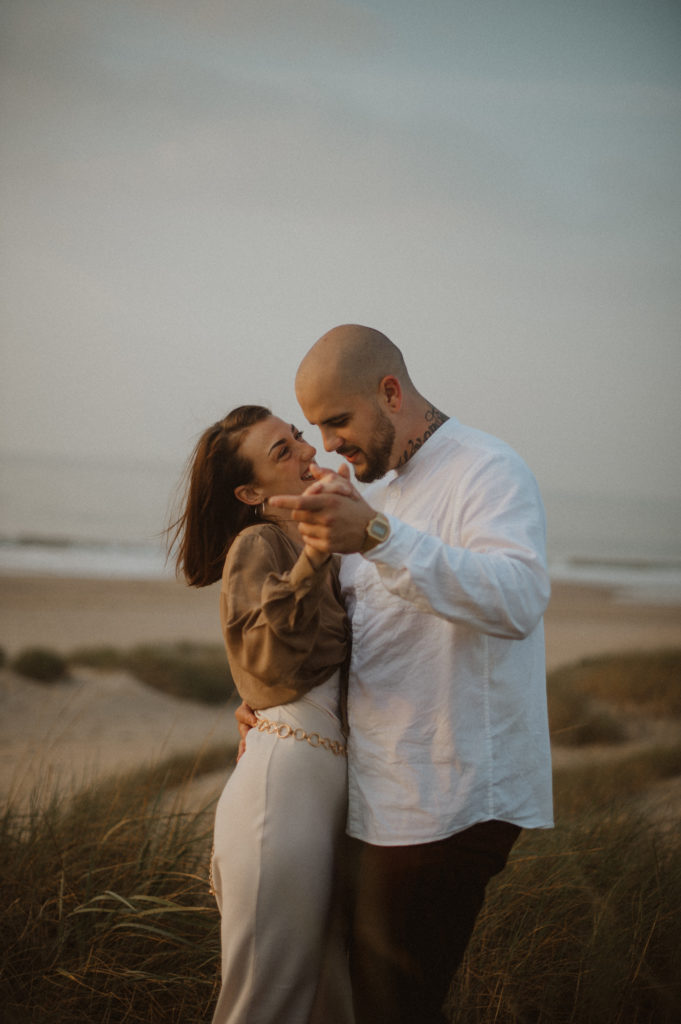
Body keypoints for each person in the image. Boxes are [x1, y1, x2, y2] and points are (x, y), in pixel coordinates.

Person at [245, 324, 555, 1024]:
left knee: (392, 1008)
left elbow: (517, 598)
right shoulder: (371, 489)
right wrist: (272, 706)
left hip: (448, 797)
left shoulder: (485, 468)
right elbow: (369, 640)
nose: (325, 444)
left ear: (390, 392)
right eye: (316, 426)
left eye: (337, 421)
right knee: (364, 1000)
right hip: (380, 792)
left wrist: (379, 537)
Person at [168, 404, 354, 1024]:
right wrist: (315, 557)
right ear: (250, 492)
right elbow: (266, 655)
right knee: (264, 1004)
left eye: (297, 436)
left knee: (324, 1000)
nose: (305, 450)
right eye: (282, 451)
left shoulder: (323, 537)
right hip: (282, 789)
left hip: (321, 787)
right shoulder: (261, 541)